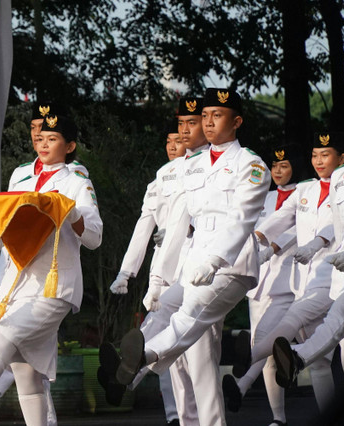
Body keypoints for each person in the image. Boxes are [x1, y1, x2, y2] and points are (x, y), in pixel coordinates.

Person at [0, 114, 103, 426]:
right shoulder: (20, 177)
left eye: (52, 139)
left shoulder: (77, 182)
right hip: (17, 286)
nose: (44, 144)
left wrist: (70, 210)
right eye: (40, 138)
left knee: (4, 333)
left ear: (70, 146)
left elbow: (93, 237)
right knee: (27, 377)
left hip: (54, 286)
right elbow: (7, 236)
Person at [111, 88, 270, 405]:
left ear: (236, 121)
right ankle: (128, 372)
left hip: (232, 263)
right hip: (194, 260)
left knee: (192, 314)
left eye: (218, 115)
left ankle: (143, 358)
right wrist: (158, 279)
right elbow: (177, 225)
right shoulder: (194, 166)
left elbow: (241, 219)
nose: (209, 122)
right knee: (168, 305)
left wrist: (214, 259)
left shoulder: (251, 165)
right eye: (206, 116)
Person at [232, 131, 344, 412]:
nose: (319, 161)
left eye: (326, 155)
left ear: (342, 158)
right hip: (307, 282)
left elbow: (335, 224)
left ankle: (251, 356)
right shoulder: (305, 190)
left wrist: (315, 244)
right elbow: (285, 218)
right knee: (320, 364)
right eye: (315, 155)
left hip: (337, 276)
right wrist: (258, 238)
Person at [107, 128, 187, 425]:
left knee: (183, 345)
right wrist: (126, 272)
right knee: (171, 349)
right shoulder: (160, 178)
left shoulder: (203, 170)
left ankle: (127, 375)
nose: (172, 146)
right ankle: (174, 416)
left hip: (195, 263)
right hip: (164, 265)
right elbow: (144, 227)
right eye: (168, 141)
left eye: (178, 140)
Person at [222, 145, 306, 425]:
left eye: (285, 166)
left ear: (296, 168)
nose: (278, 171)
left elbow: (295, 231)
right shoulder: (265, 197)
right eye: (275, 166)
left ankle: (244, 384)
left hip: (291, 279)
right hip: (260, 283)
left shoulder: (306, 193)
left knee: (282, 346)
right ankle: (278, 417)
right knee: (267, 350)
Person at [270, 126, 344, 392]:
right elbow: (339, 226)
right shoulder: (343, 176)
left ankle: (298, 355)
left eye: (325, 154)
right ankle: (299, 357)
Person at [8, 101, 88, 191]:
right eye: (33, 127)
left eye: (43, 127)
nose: (37, 134)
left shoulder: (74, 171)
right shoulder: (19, 173)